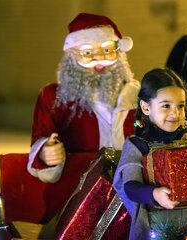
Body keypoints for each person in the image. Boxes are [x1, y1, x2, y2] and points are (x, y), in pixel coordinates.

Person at [27, 13, 139, 183]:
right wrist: (45, 153)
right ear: (72, 57)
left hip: (132, 191)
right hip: (76, 191)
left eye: (107, 50)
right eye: (87, 52)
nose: (99, 59)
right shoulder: (53, 98)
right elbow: (42, 139)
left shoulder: (140, 95)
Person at [114, 68, 187, 239]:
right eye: (166, 105)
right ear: (145, 107)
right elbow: (129, 187)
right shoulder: (138, 145)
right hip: (155, 229)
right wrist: (154, 194)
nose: (175, 113)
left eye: (180, 106)